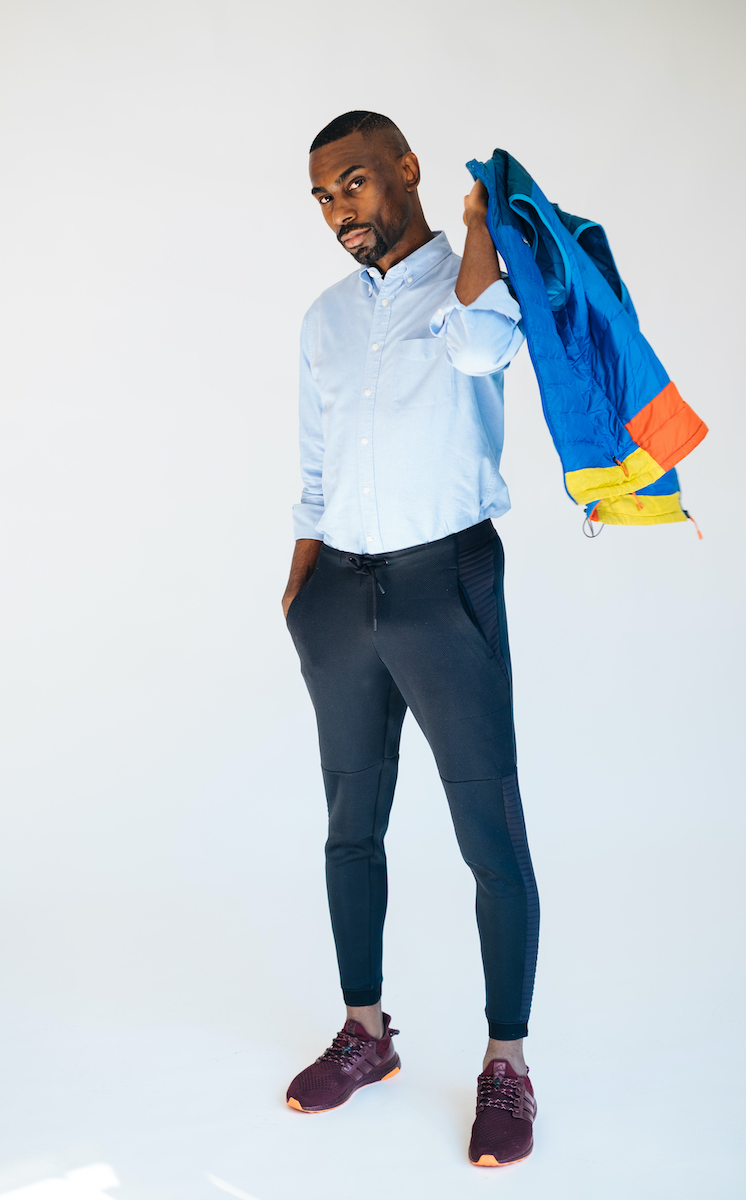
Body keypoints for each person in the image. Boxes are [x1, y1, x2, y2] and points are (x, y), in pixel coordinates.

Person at [282, 110, 539, 1168]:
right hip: (337, 593)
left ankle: (506, 1062)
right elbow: (311, 463)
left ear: (404, 170)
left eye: (352, 183)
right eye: (322, 197)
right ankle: (364, 1032)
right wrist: (300, 589)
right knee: (351, 823)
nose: (339, 210)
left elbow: (483, 349)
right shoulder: (323, 320)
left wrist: (479, 226)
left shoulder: (470, 286)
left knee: (488, 831)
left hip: (447, 584)